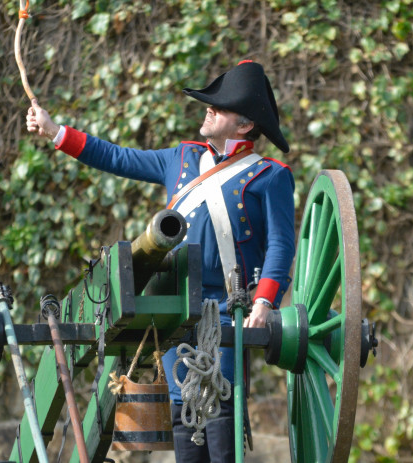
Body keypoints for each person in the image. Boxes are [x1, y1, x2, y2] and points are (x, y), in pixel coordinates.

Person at [26, 60, 295, 462]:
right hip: (174, 306)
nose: (208, 109)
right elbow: (119, 158)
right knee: (182, 408)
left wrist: (263, 302)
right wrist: (56, 132)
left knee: (221, 405)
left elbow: (280, 245)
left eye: (218, 107)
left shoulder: (270, 176)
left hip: (227, 311)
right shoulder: (182, 159)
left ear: (243, 126)